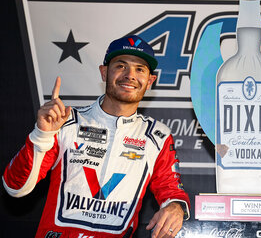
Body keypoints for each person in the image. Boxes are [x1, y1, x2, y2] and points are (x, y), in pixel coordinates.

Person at [2, 35, 190, 238]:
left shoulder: (157, 136)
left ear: (150, 81)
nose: (130, 75)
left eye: (140, 69)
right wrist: (42, 135)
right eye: (121, 66)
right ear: (104, 72)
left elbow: (171, 191)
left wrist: (176, 207)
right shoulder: (65, 121)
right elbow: (15, 187)